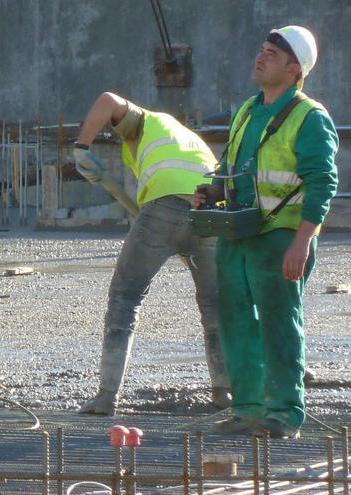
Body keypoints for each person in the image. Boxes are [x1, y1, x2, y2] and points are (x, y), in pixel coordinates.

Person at [194, 26, 338, 439]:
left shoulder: (309, 117)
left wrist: (302, 240)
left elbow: (322, 182)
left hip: (280, 235)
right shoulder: (246, 110)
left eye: (271, 54)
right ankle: (248, 409)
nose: (260, 57)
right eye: (261, 50)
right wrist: (212, 190)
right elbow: (231, 167)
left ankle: (285, 413)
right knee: (235, 321)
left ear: (294, 69)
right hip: (238, 233)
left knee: (278, 322)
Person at [74, 92, 230, 415]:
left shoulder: (146, 122)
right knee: (216, 307)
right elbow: (151, 211)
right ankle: (224, 391)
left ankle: (106, 396)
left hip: (166, 208)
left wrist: (81, 148)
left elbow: (106, 100)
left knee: (125, 296)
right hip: (209, 211)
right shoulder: (186, 141)